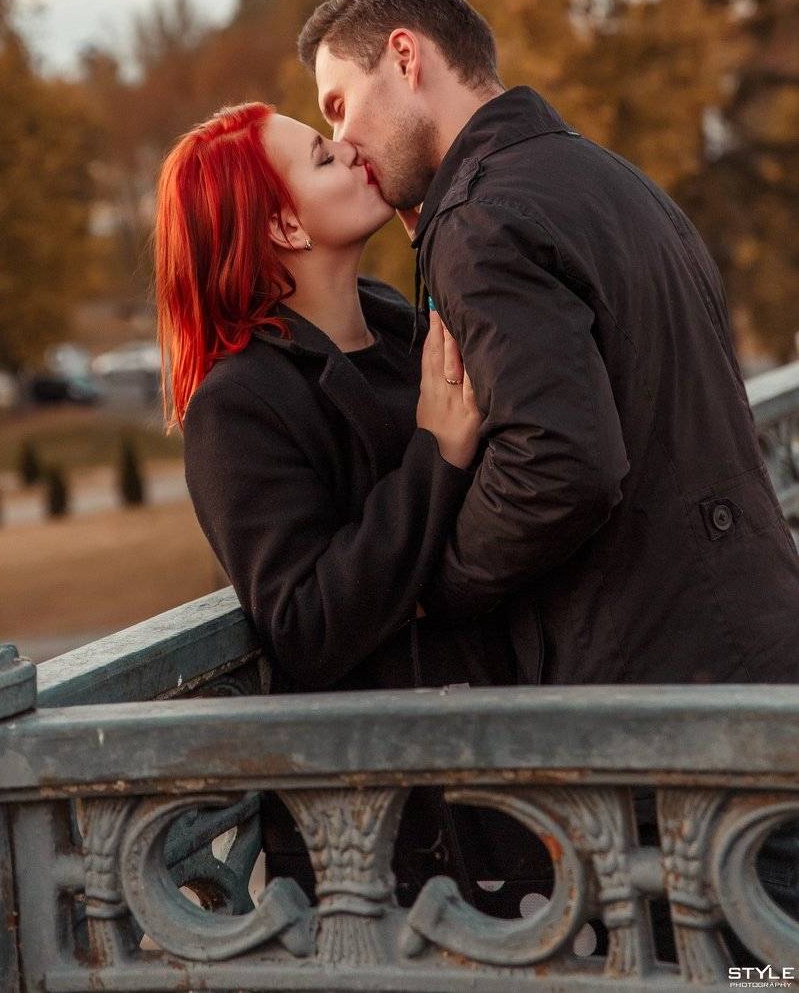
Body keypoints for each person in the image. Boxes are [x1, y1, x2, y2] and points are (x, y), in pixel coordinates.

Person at [298, 0, 799, 954]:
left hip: (667, 713)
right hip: (750, 658)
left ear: (406, 56)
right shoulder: (605, 175)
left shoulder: (479, 218)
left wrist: (437, 587)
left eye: (340, 105)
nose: (343, 144)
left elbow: (560, 462)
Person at [153, 101, 552, 914]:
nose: (350, 150)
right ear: (284, 228)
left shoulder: (404, 327)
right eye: (321, 157)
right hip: (398, 839)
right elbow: (304, 619)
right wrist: (434, 453)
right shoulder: (239, 404)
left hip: (516, 755)